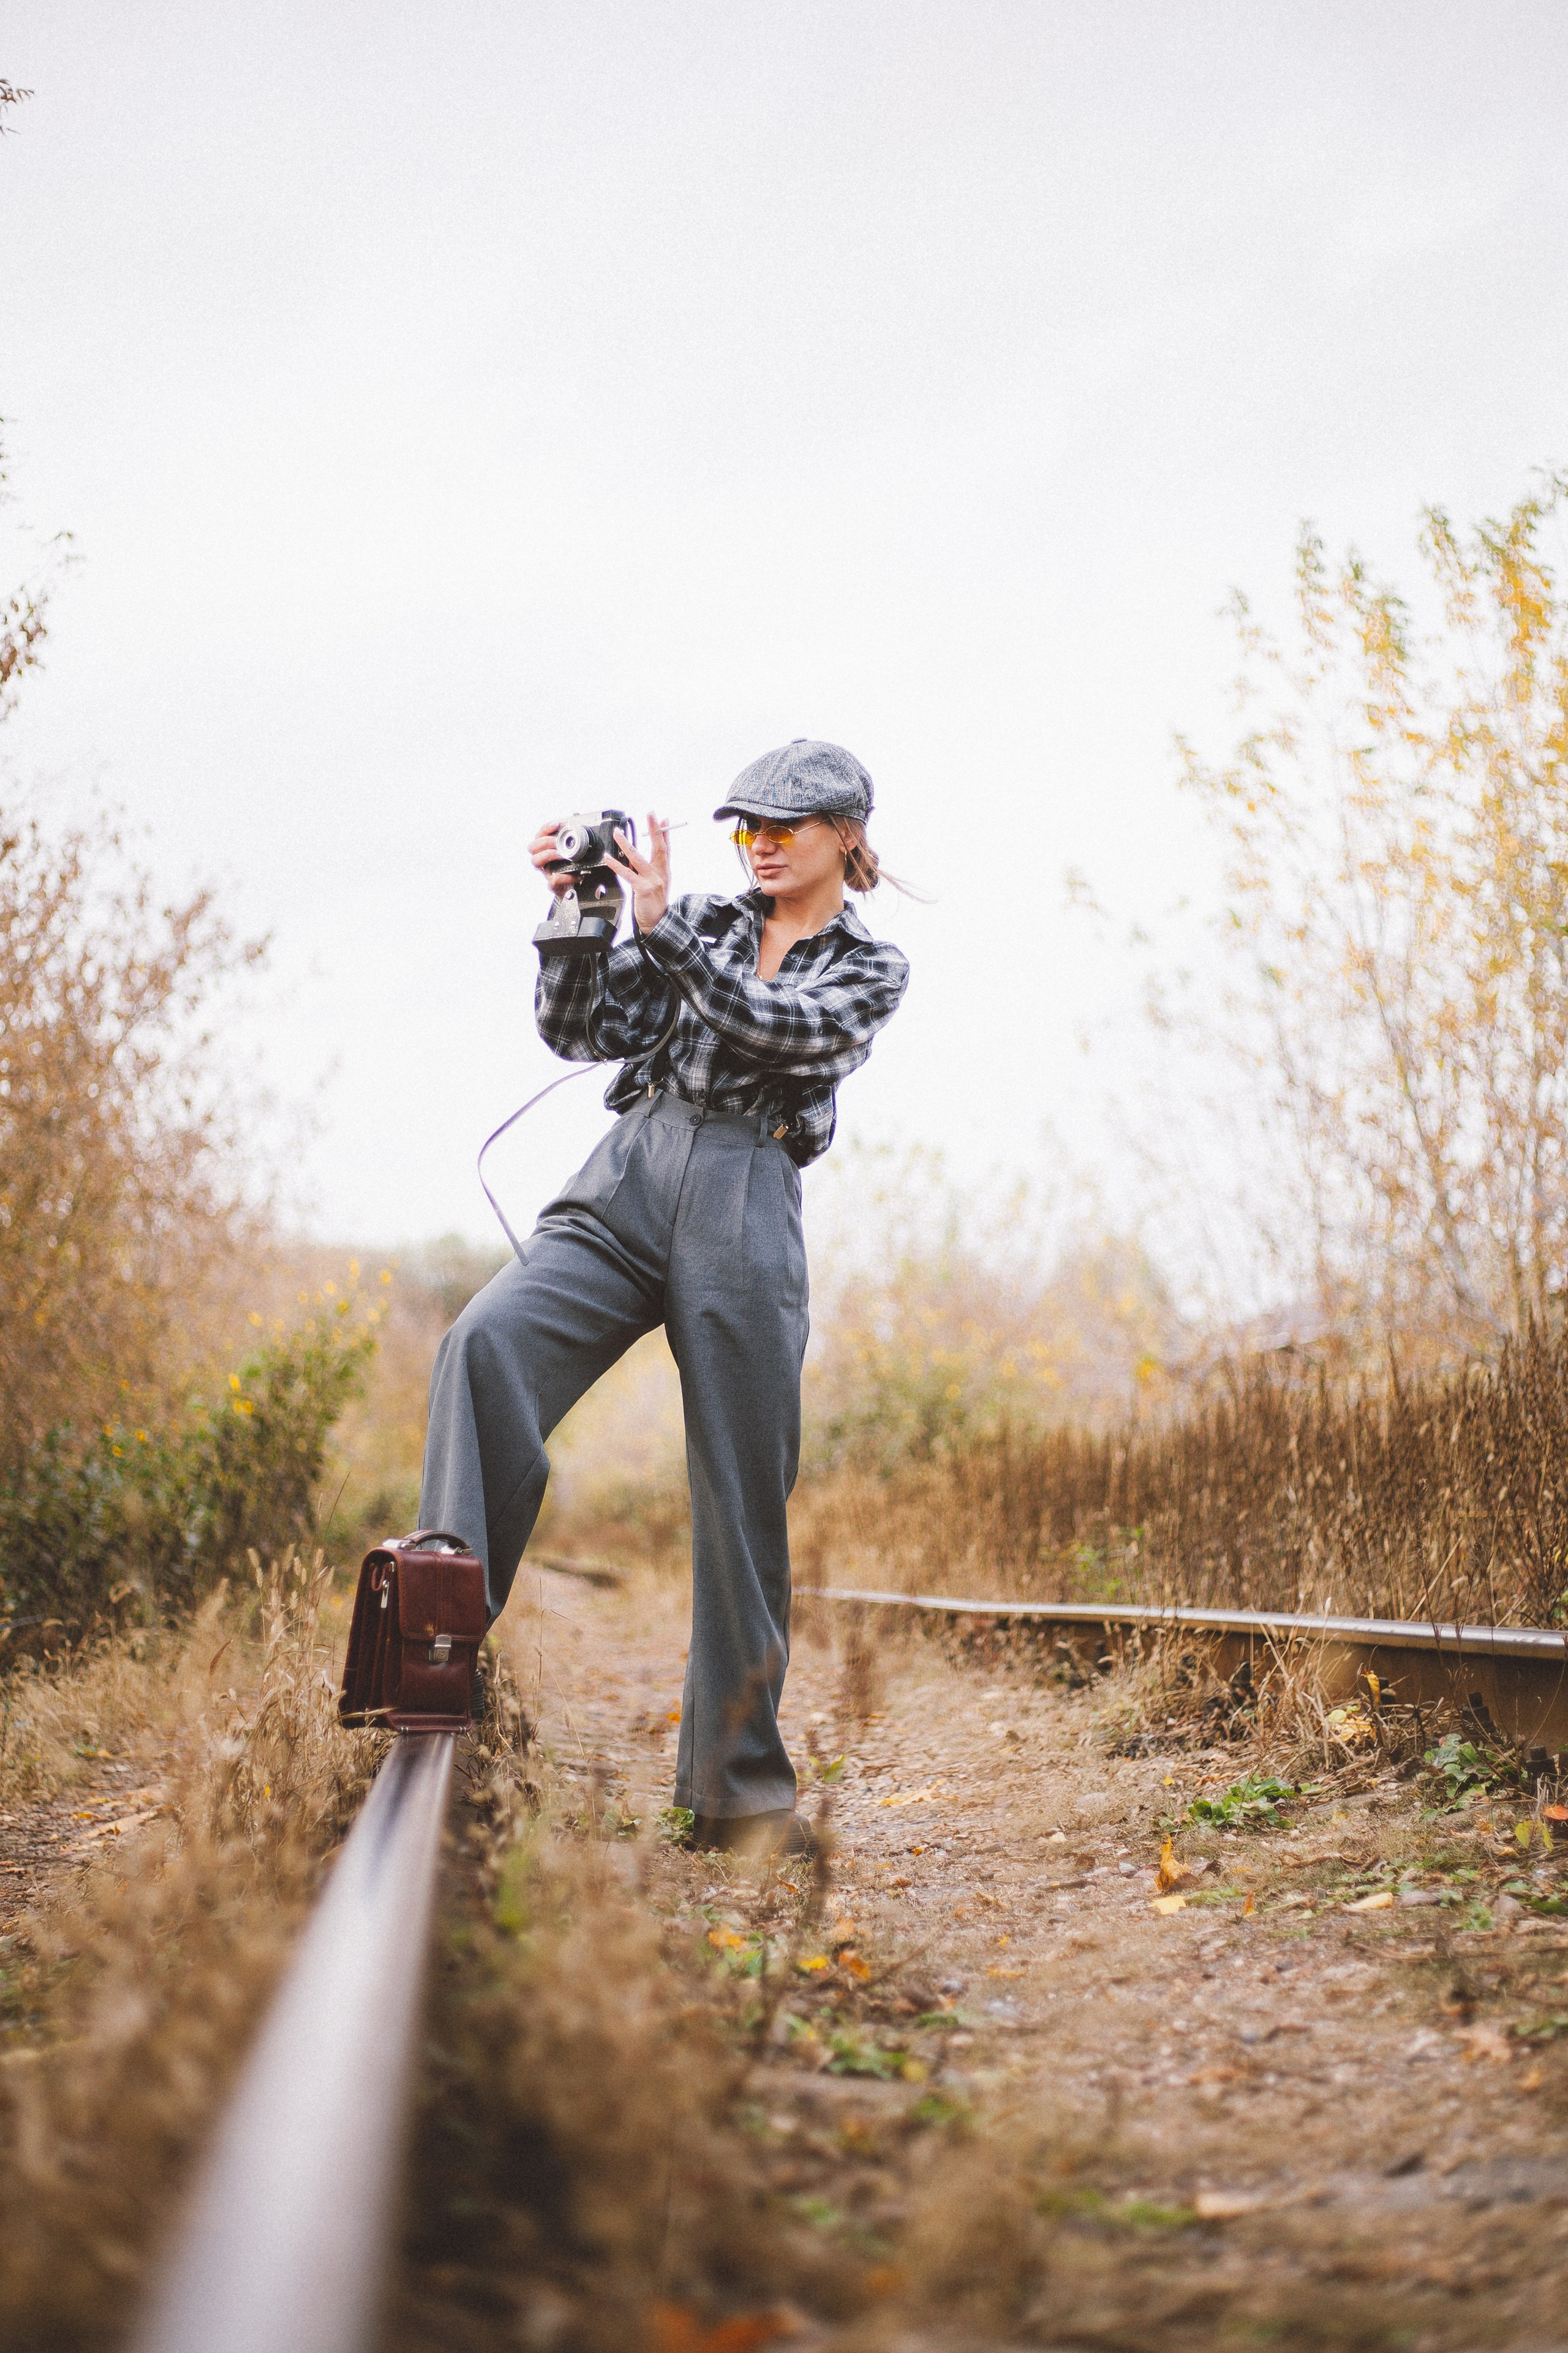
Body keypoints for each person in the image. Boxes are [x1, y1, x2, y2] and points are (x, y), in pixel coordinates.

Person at [420, 738, 910, 1854]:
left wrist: (660, 930)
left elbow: (769, 1030)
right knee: (484, 1342)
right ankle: (436, 1646)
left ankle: (734, 1796)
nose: (762, 842)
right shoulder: (698, 919)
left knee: (741, 1494)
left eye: (786, 824)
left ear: (846, 833)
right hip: (633, 1172)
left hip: (748, 1190)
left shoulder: (869, 969)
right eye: (748, 824)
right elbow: (583, 1030)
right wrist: (581, 917)